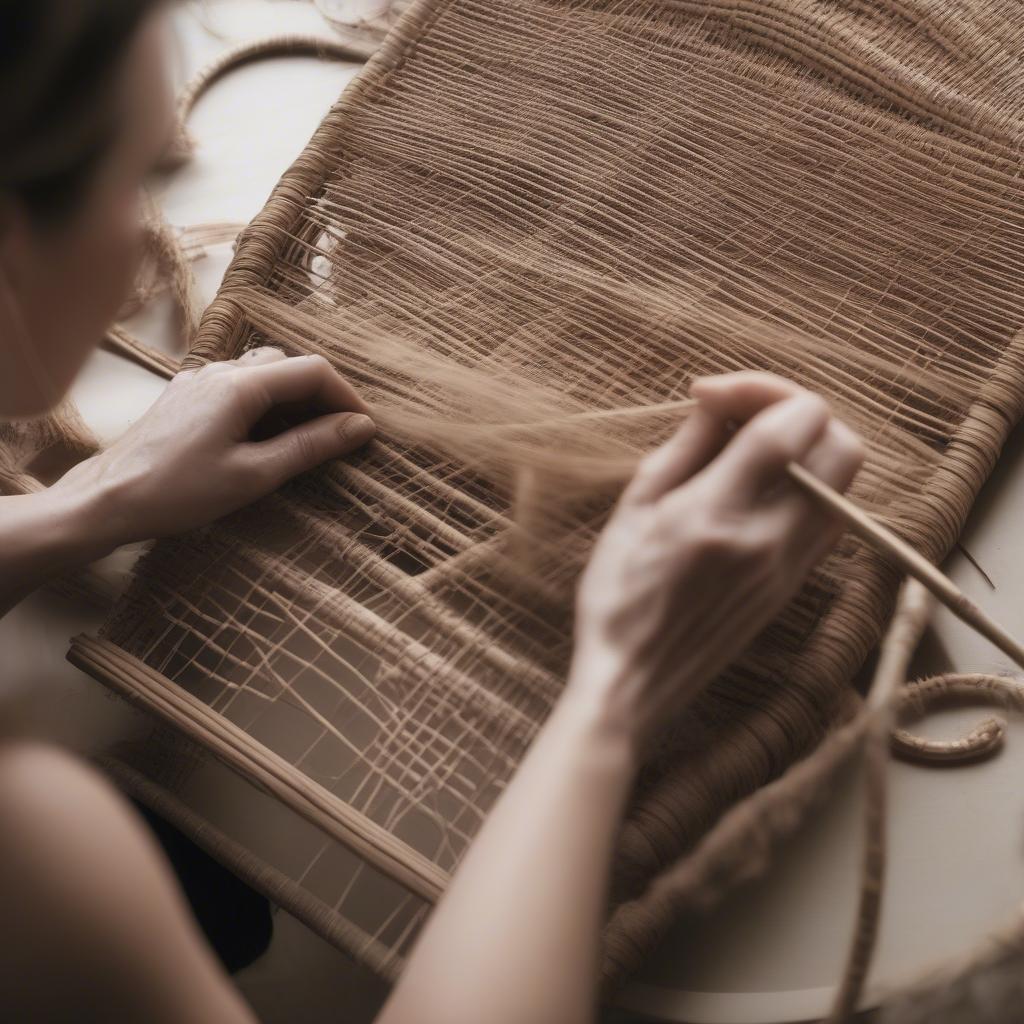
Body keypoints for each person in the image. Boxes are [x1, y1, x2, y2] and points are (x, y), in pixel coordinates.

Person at [0, 3, 864, 1021]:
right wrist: (616, 690)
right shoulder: (39, 856)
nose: (151, 248)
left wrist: (77, 510)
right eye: (133, 174)